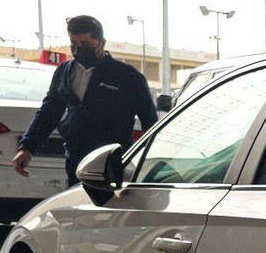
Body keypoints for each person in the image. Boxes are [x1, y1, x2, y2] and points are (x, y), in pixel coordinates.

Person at [14, 14, 158, 183]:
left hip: (112, 161)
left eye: (85, 44)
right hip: (75, 159)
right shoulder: (64, 72)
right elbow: (49, 112)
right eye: (74, 43)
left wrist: (148, 161)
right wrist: (27, 147)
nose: (79, 49)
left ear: (102, 42)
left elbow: (149, 120)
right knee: (75, 198)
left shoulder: (127, 76)